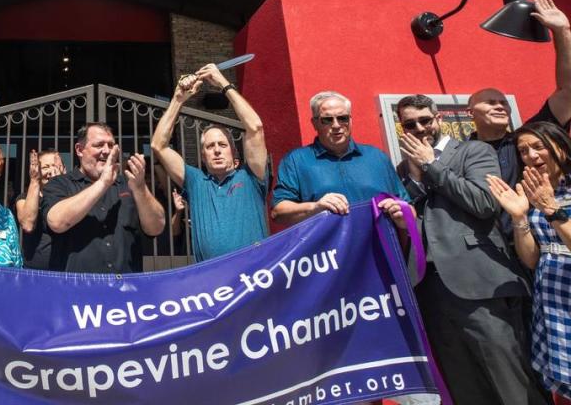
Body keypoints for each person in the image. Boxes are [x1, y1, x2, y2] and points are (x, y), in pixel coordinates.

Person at [384, 94, 544, 405]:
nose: (419, 128)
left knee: (509, 379)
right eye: (410, 124)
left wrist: (431, 165)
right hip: (428, 287)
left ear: (438, 120)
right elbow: (417, 219)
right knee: (462, 384)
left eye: (425, 120)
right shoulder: (403, 169)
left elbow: (484, 204)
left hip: (479, 282)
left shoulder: (474, 151)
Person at [151, 64, 269, 261]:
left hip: (255, 277)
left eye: (222, 144)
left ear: (234, 152)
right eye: (209, 146)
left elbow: (255, 128)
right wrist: (178, 98)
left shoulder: (251, 177)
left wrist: (222, 83)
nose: (216, 150)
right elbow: (158, 145)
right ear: (203, 157)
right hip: (212, 284)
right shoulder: (196, 182)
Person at [488, 121, 571, 400]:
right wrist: (520, 217)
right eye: (523, 151)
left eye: (539, 147)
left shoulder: (548, 198)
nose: (531, 156)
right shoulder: (537, 193)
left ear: (560, 146)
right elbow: (533, 259)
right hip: (552, 296)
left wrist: (551, 209)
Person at [469, 0, 571, 187]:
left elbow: (567, 91)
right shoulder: (461, 151)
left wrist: (562, 32)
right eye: (491, 103)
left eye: (503, 103)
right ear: (471, 112)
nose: (500, 107)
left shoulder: (527, 139)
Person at [42, 123, 165, 273]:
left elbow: (157, 227)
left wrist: (141, 188)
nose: (106, 151)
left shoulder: (130, 184)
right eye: (99, 145)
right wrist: (103, 183)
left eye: (111, 145)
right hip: (77, 290)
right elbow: (57, 222)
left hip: (126, 290)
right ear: (79, 150)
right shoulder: (60, 184)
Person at [272, 91, 409, 225]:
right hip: (329, 246)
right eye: (327, 120)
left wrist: (400, 212)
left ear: (350, 120)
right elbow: (278, 212)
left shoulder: (377, 157)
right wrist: (315, 207)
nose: (336, 125)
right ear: (314, 123)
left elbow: (407, 206)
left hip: (379, 245)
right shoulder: (296, 160)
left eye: (342, 118)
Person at [14, 148, 64, 269]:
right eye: (45, 167)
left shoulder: (73, 195)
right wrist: (34, 180)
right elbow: (27, 224)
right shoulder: (24, 198)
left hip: (66, 270)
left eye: (55, 165)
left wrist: (59, 184)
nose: (51, 171)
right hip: (35, 272)